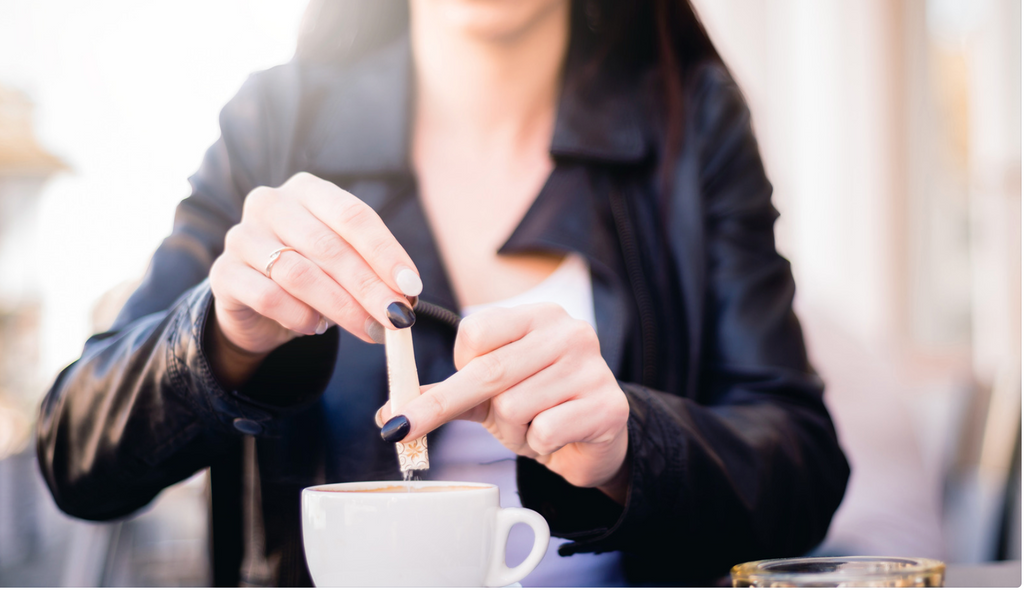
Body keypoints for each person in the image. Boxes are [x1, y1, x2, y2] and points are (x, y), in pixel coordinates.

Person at [36, 0, 849, 587]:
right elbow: (74, 452)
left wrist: (634, 446)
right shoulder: (275, 124)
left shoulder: (691, 118)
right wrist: (220, 337)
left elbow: (802, 469)